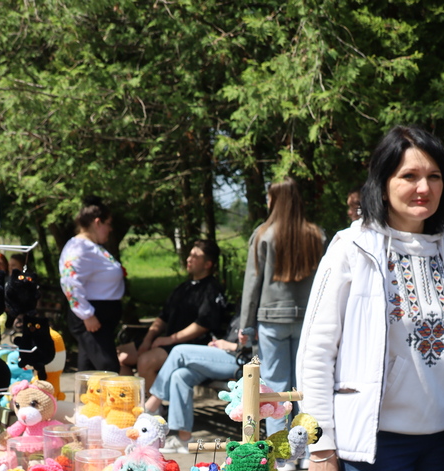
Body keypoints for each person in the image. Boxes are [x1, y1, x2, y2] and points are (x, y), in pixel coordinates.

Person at [298, 126, 444, 471]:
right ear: (383, 180)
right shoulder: (352, 248)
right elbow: (316, 352)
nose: (423, 187)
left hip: (442, 447)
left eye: (434, 176)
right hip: (377, 449)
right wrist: (321, 446)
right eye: (409, 175)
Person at [240, 178, 324, 437]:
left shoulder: (263, 234)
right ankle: (308, 447)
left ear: (274, 200)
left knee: (276, 389)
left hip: (271, 320)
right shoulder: (317, 235)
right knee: (305, 386)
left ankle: (280, 450)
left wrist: (246, 325)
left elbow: (252, 283)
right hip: (308, 321)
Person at [118, 239, 227, 394]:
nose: (189, 259)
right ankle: (130, 400)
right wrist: (148, 339)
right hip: (168, 342)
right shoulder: (183, 288)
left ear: (207, 264)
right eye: (189, 255)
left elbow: (203, 325)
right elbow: (163, 318)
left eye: (195, 256)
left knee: (146, 361)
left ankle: (155, 406)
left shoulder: (212, 289)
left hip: (191, 346)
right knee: (119, 356)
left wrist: (170, 339)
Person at [142, 318, 248, 453]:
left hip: (240, 358)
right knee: (180, 375)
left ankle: (151, 407)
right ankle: (184, 440)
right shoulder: (242, 309)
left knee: (179, 352)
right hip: (225, 355)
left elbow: (257, 347)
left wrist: (231, 346)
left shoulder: (257, 310)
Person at [59, 197, 126, 371]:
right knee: (108, 369)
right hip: (92, 317)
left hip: (100, 317)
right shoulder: (79, 248)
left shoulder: (91, 247)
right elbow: (69, 281)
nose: (110, 229)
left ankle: (84, 391)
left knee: (89, 369)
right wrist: (86, 314)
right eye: (108, 224)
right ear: (97, 222)